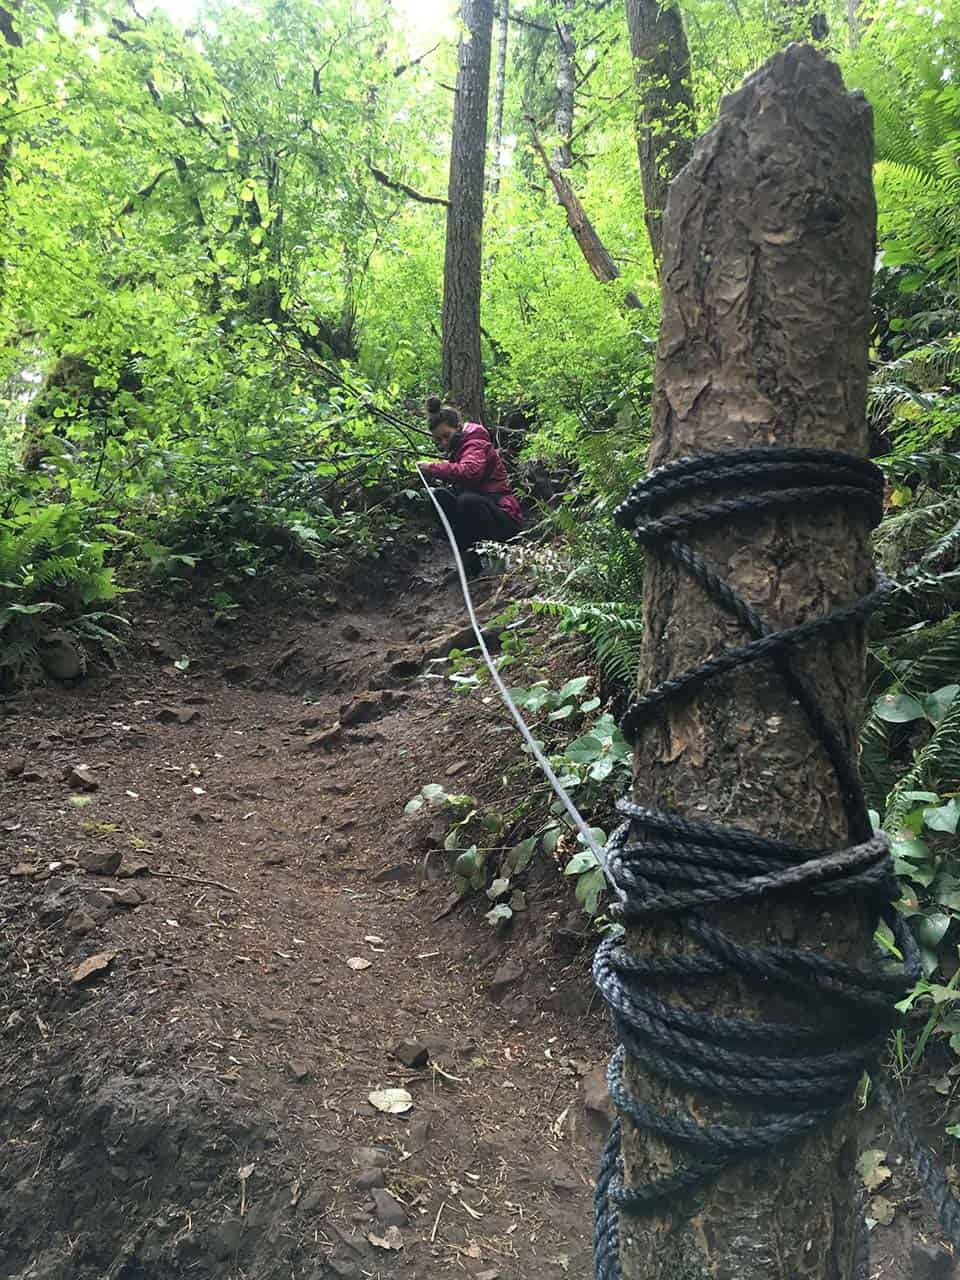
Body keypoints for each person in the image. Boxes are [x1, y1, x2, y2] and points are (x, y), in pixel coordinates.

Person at [418, 396, 522, 577]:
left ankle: (495, 559)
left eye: (446, 436)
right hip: (482, 515)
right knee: (438, 497)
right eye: (438, 440)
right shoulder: (457, 449)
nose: (443, 443)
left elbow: (470, 472)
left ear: (458, 427)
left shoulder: (475, 442)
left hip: (504, 517)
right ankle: (470, 559)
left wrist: (433, 467)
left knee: (468, 501)